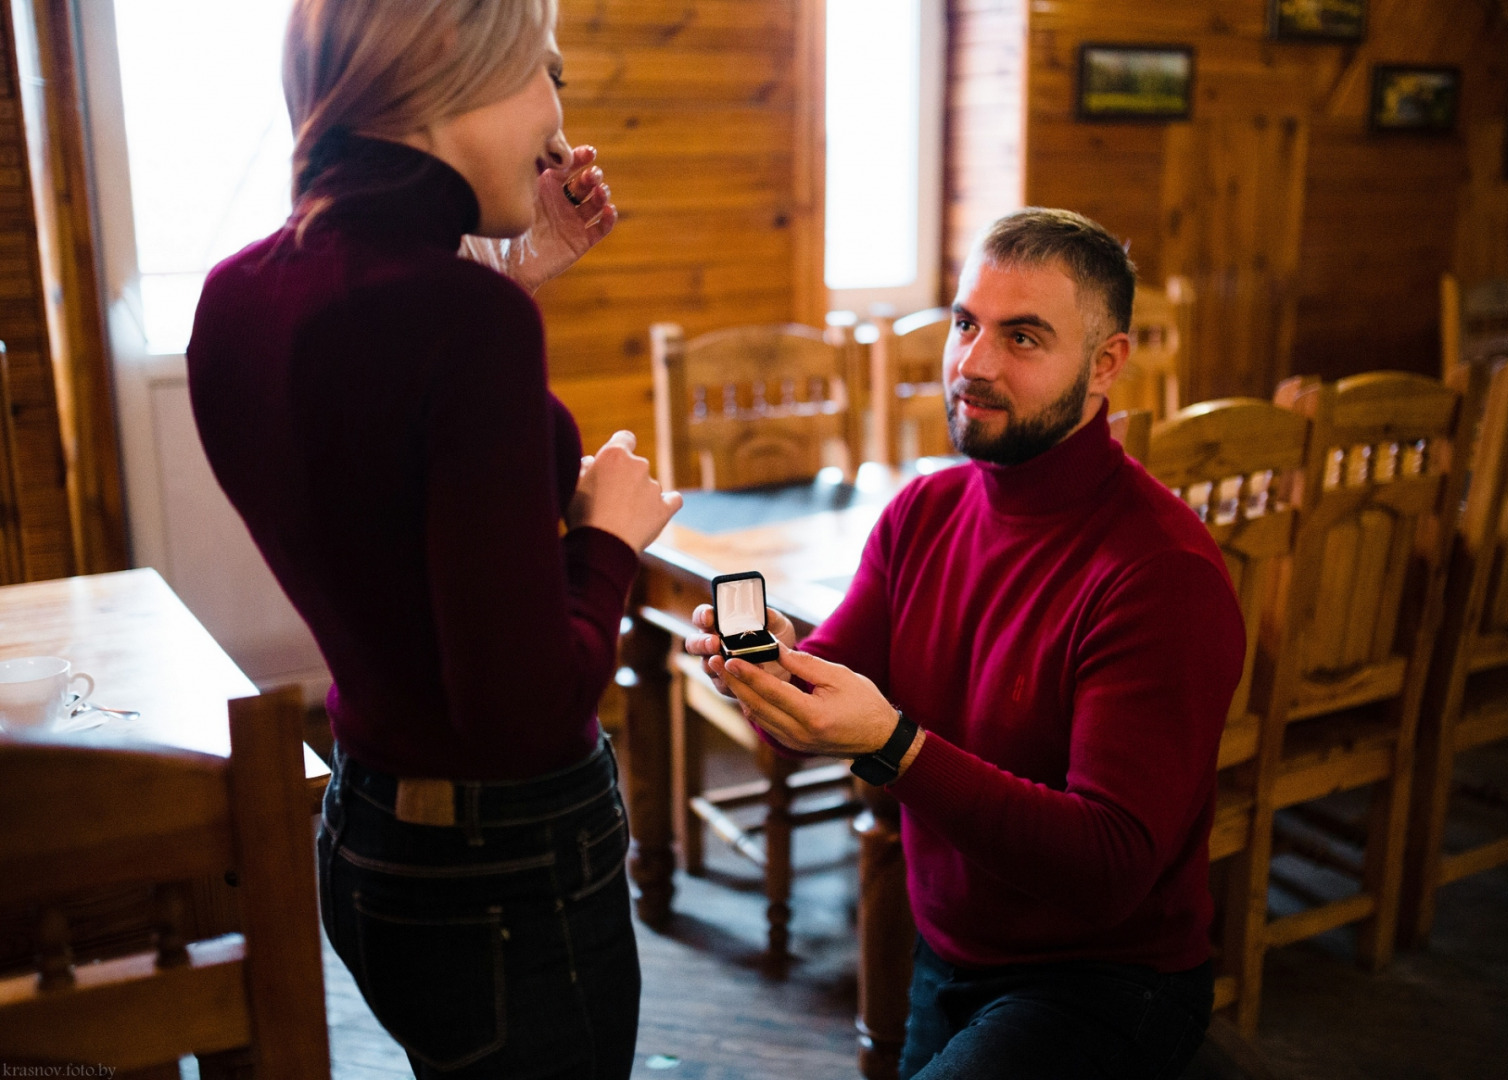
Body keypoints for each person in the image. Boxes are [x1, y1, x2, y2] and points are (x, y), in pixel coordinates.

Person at [187, 2, 680, 1077]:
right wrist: (609, 539)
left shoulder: (236, 297)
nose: (559, 125)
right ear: (461, 70)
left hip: (371, 836)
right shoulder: (464, 323)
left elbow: (382, 476)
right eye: (547, 73)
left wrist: (525, 262)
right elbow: (524, 713)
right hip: (508, 871)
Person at [687, 209, 1246, 1079]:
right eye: (964, 324)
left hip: (1104, 982)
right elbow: (803, 721)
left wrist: (893, 746)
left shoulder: (1158, 572)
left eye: (1022, 337)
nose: (972, 364)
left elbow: (1108, 871)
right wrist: (760, 676)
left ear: (1106, 365)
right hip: (946, 956)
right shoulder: (923, 513)